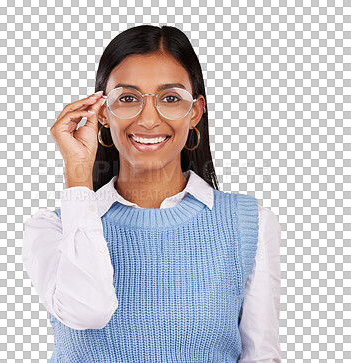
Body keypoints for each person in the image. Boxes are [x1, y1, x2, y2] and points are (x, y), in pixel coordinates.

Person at [22, 25, 282, 362]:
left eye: (170, 98)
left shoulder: (250, 225)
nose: (148, 119)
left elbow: (261, 356)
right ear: (102, 112)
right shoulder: (53, 229)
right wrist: (77, 173)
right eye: (128, 98)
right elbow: (88, 312)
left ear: (196, 112)